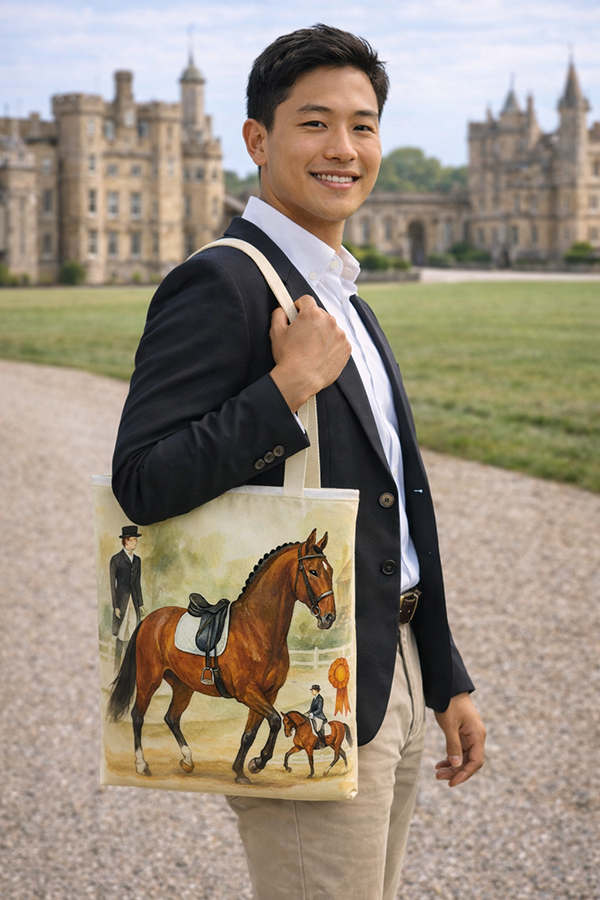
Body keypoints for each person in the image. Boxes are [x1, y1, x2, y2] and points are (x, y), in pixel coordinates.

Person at [112, 23, 486, 900]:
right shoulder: (223, 282)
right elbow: (144, 477)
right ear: (257, 139)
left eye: (363, 125)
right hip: (295, 676)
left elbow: (399, 503)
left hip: (387, 668)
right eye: (314, 123)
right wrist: (285, 390)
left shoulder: (340, 290)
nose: (343, 148)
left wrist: (444, 675)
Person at [109, 525, 144, 671]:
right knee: (121, 633)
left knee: (133, 631)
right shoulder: (116, 559)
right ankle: (117, 668)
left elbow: (137, 583)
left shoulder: (137, 560)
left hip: (133, 602)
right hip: (122, 602)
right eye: (133, 540)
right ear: (126, 541)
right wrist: (115, 606)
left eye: (136, 540)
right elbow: (112, 585)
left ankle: (130, 667)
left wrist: (140, 604)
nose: (136, 542)